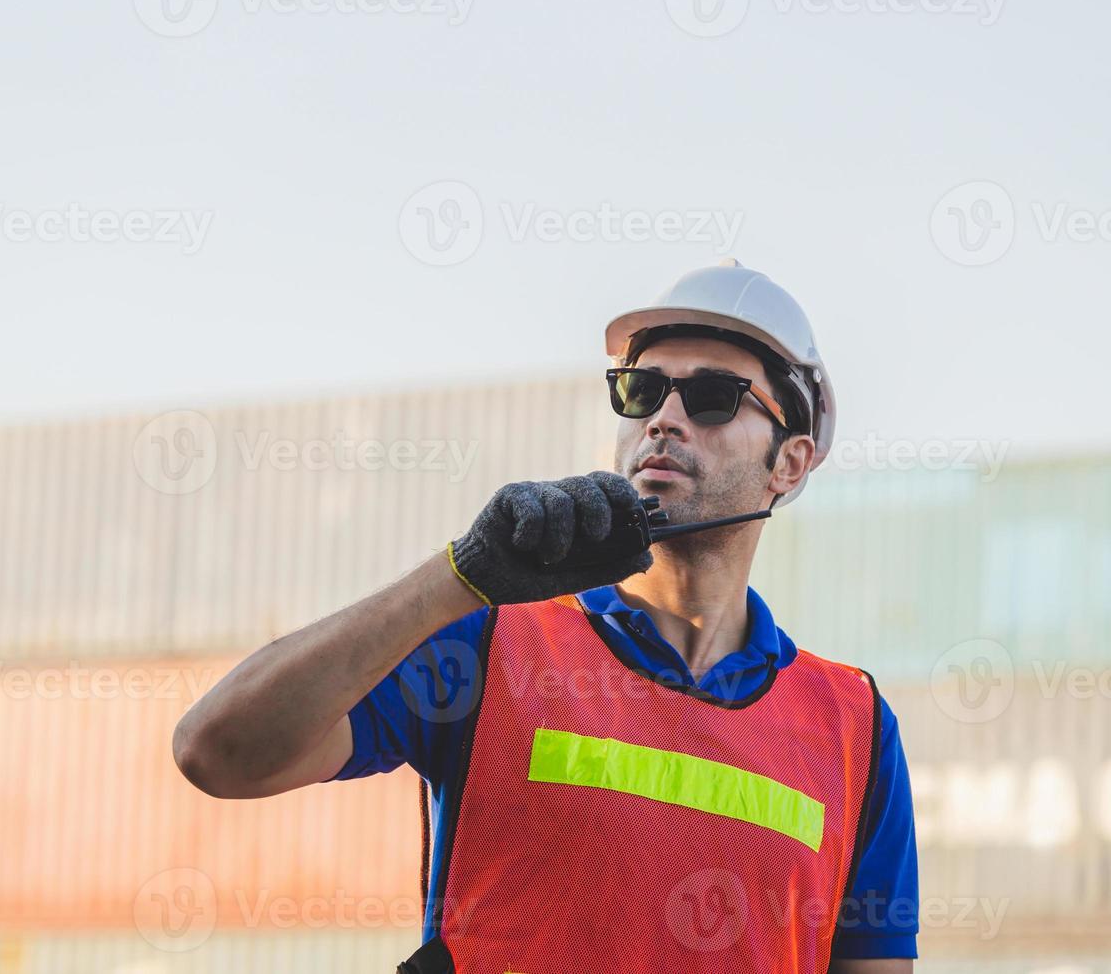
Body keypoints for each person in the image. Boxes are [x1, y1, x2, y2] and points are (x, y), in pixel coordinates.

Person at [173, 260, 919, 973]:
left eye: (711, 397)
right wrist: (456, 577)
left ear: (789, 463)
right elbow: (217, 752)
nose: (662, 418)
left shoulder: (852, 726)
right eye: (640, 390)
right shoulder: (492, 640)